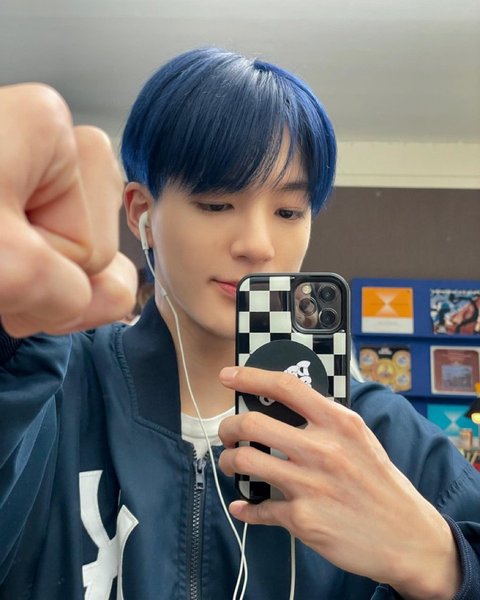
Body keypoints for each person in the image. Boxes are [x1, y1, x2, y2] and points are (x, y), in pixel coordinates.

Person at [0, 47, 479, 600]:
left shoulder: (380, 433)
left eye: (288, 212)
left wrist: (440, 561)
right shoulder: (45, 387)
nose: (257, 245)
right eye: (216, 204)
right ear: (140, 213)